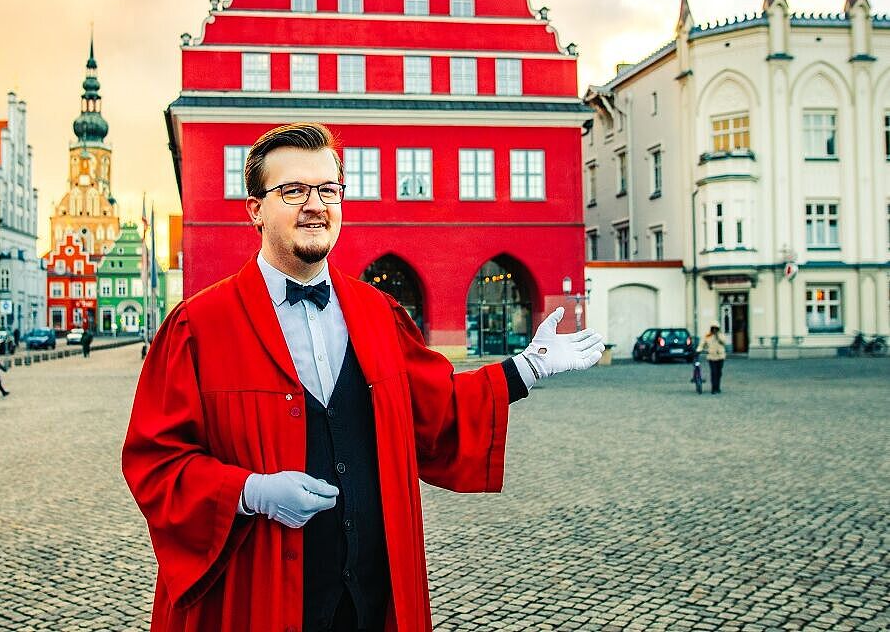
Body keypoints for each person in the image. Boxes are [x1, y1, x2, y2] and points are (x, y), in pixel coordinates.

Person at [122, 123, 606, 632]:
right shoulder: (198, 326)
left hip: (372, 603)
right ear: (255, 209)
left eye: (328, 189)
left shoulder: (378, 314)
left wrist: (526, 368)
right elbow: (155, 463)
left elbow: (436, 407)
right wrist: (249, 491)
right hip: (257, 597)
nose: (315, 204)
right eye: (293, 190)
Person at [697, 323, 728, 394]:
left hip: (720, 356)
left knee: (719, 373)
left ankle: (718, 387)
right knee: (714, 372)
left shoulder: (721, 335)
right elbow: (702, 344)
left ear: (718, 329)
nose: (714, 330)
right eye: (713, 328)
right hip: (711, 357)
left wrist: (717, 336)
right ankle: (714, 388)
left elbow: (724, 342)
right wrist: (698, 350)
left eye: (716, 328)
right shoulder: (707, 336)